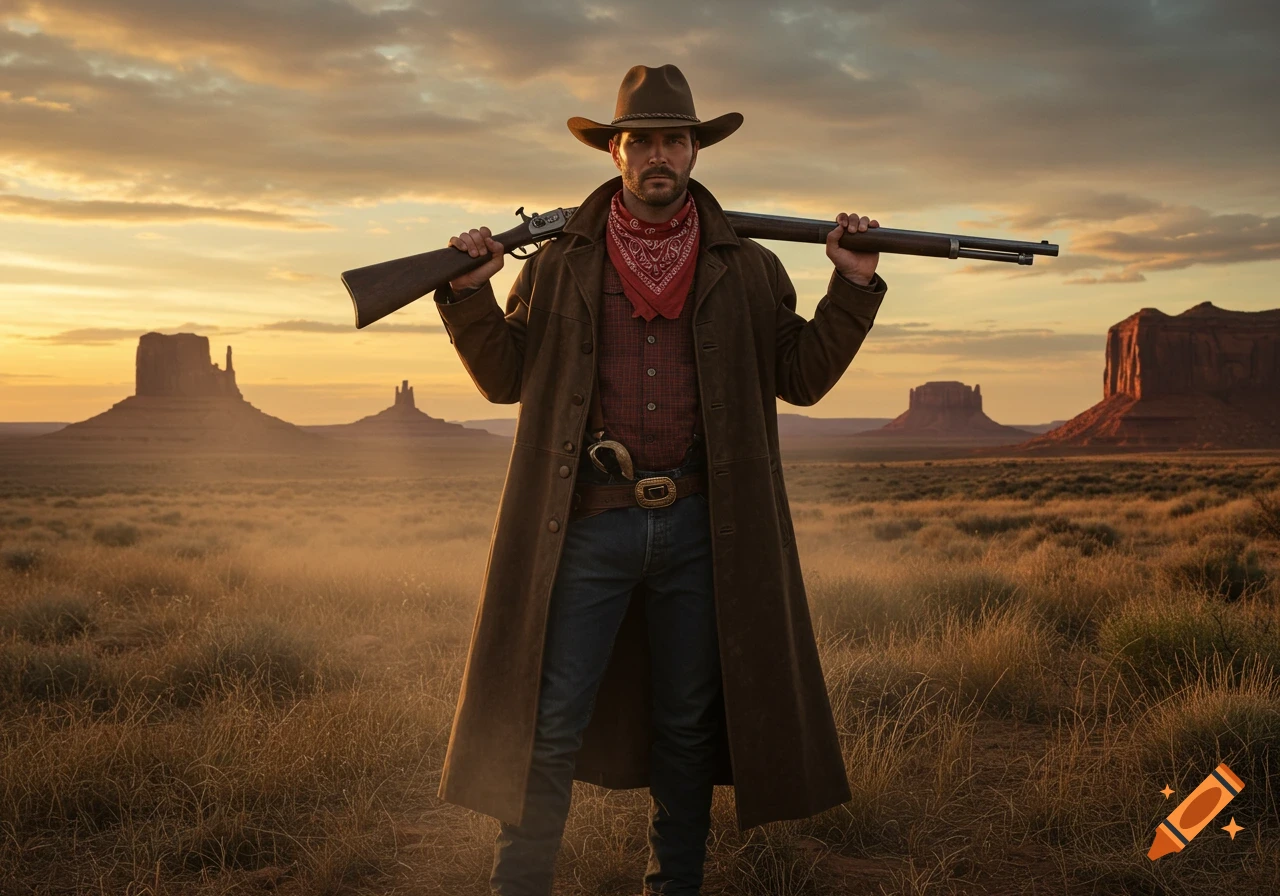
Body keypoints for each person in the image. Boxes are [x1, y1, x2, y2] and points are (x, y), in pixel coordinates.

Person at [433, 63, 887, 896]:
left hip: (700, 526)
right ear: (613, 151)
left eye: (674, 138)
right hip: (587, 525)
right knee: (550, 723)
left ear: (694, 151)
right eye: (639, 139)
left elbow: (803, 376)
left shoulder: (747, 266)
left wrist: (852, 285)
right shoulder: (559, 263)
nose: (657, 154)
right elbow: (504, 381)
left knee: (687, 726)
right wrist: (465, 296)